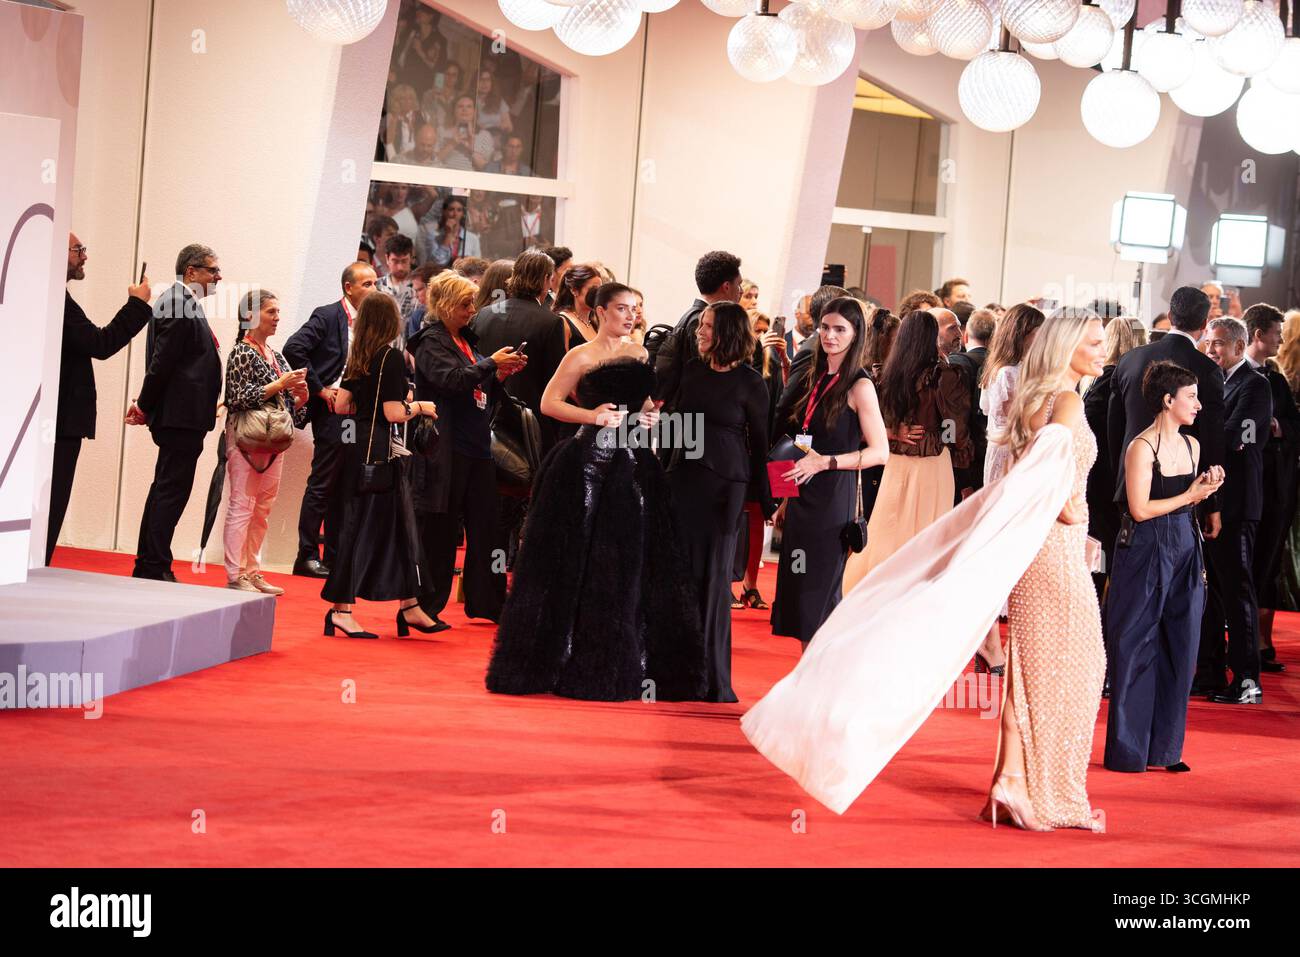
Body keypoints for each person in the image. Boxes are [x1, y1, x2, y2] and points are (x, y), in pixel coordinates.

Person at [741, 311, 1107, 823]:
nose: (1102, 351)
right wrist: (1076, 512)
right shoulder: (1065, 400)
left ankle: (1009, 783)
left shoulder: (1040, 397)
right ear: (1066, 346)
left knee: (1029, 672)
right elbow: (1053, 480)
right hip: (1056, 550)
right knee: (1071, 668)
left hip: (1036, 545)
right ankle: (1025, 785)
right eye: (1093, 342)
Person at [485, 284, 707, 701]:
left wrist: (648, 418)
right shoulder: (580, 355)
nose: (630, 315)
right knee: (579, 556)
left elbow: (642, 404)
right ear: (600, 311)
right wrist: (592, 415)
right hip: (589, 463)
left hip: (635, 463)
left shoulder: (641, 354)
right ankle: (566, 653)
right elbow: (549, 403)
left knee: (629, 558)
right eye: (621, 308)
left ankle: (628, 658)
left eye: (635, 309)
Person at [1104, 361, 1222, 773]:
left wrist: (1203, 492)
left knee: (1181, 644)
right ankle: (1129, 751)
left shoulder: (1192, 446)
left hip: (1186, 546)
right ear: (1168, 400)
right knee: (1135, 645)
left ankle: (1166, 749)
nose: (1199, 405)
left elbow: (1184, 500)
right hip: (1144, 548)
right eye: (1191, 397)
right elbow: (1139, 510)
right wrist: (1191, 496)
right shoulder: (1141, 447)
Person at [1107, 286, 1226, 688]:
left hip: (1129, 493)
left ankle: (1116, 676)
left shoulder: (1130, 359)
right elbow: (1214, 440)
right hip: (1180, 500)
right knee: (1177, 610)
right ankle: (1189, 677)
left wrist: (1120, 484)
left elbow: (1114, 432)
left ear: (1170, 314)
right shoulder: (1206, 368)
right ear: (1205, 322)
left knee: (1131, 609)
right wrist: (1212, 505)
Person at [667, 301, 773, 701]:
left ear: (727, 332)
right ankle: (677, 672)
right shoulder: (691, 372)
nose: (699, 331)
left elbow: (762, 446)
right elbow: (679, 428)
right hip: (683, 481)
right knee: (680, 575)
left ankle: (711, 680)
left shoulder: (751, 383)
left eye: (708, 326)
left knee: (713, 579)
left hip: (725, 488)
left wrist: (771, 499)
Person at [770, 297, 890, 650]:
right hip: (801, 495)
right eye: (825, 327)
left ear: (856, 335)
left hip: (831, 501)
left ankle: (818, 686)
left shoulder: (860, 385)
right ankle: (810, 681)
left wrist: (827, 462)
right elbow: (799, 441)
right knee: (799, 597)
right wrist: (784, 501)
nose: (830, 336)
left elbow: (880, 452)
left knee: (818, 597)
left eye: (840, 329)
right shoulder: (815, 375)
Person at [409, 272, 526, 628]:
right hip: (446, 450)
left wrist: (499, 373)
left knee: (487, 530)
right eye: (465, 304)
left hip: (476, 449)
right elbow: (451, 381)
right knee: (441, 532)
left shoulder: (464, 341)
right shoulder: (430, 341)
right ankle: (426, 605)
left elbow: (477, 387)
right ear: (444, 306)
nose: (472, 310)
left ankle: (488, 601)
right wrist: (490, 363)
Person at [321, 293, 440, 639]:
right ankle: (342, 610)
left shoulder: (358, 357)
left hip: (354, 447)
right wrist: (420, 407)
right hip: (380, 451)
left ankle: (409, 605)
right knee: (374, 528)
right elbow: (392, 413)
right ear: (391, 321)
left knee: (385, 527)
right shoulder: (389, 358)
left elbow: (342, 405)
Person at [842, 310, 970, 594]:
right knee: (927, 533)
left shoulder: (886, 374)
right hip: (932, 463)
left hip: (895, 461)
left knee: (886, 528)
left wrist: (894, 432)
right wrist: (959, 451)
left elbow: (869, 422)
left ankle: (868, 590)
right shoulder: (944, 375)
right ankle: (912, 594)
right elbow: (955, 426)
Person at [48, 234, 152, 564]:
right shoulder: (52, 297)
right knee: (50, 505)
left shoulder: (51, 294)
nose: (84, 257)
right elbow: (100, 343)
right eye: (78, 250)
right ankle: (34, 570)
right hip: (57, 418)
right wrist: (137, 305)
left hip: (57, 416)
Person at [127, 244, 224, 582]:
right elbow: (162, 363)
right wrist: (143, 404)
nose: (219, 276)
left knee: (165, 489)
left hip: (184, 417)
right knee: (171, 491)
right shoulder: (178, 304)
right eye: (213, 270)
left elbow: (180, 363)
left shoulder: (182, 304)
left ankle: (151, 563)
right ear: (191, 273)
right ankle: (153, 566)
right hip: (179, 419)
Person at [285, 261, 378, 579]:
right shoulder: (327, 315)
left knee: (348, 485)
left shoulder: (371, 322)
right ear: (348, 287)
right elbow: (294, 348)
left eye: (375, 283)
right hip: (332, 414)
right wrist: (321, 389)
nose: (374, 289)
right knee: (323, 484)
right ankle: (306, 556)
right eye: (367, 284)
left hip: (356, 415)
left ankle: (337, 557)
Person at [1200, 316, 1272, 704]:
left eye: (1219, 345)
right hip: (1210, 501)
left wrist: (1199, 442)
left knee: (1237, 591)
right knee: (1209, 591)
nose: (1211, 351)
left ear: (1240, 347)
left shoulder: (1256, 385)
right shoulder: (1210, 383)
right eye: (1208, 344)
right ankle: (1209, 672)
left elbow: (1239, 437)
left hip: (1239, 505)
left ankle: (1247, 679)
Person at [222, 290, 309, 594]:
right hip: (246, 439)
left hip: (272, 441)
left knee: (262, 508)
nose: (277, 318)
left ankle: (252, 569)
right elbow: (236, 398)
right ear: (251, 315)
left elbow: (287, 406)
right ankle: (235, 574)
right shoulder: (241, 352)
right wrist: (280, 385)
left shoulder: (276, 354)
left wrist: (300, 395)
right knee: (242, 505)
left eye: (277, 311)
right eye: (271, 311)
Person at [1242, 304, 1300, 673]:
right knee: (1242, 566)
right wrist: (1264, 430)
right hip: (1247, 485)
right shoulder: (1234, 377)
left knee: (1268, 565)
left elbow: (1295, 427)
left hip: (1276, 487)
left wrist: (1280, 429)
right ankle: (1241, 641)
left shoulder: (1277, 382)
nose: (1281, 339)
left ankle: (1261, 640)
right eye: (1276, 333)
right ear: (1259, 335)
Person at [471, 248, 567, 451]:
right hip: (530, 422)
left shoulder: (483, 315)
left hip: (484, 414)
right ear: (546, 279)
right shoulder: (550, 323)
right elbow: (555, 378)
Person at [1084, 316, 1142, 607]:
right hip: (1115, 476)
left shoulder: (1107, 380)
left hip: (1101, 476)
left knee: (1101, 549)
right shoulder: (1126, 380)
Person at [653, 250, 744, 409]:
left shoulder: (694, 316)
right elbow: (704, 378)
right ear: (727, 286)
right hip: (686, 422)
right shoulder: (699, 320)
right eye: (739, 284)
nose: (741, 291)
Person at [948, 307, 995, 500]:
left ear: (966, 336)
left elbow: (949, 419)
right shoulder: (1001, 367)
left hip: (960, 455)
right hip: (987, 452)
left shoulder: (954, 364)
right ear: (995, 337)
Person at [419, 194, 481, 268]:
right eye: (451, 209)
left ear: (462, 214)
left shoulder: (472, 238)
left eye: (459, 210)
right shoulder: (433, 236)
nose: (455, 214)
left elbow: (477, 266)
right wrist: (448, 235)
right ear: (444, 212)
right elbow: (437, 262)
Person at [376, 233, 418, 328]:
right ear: (387, 258)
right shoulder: (376, 287)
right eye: (395, 261)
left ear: (411, 259)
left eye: (404, 261)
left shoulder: (420, 289)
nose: (400, 267)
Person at [554, 263, 602, 345]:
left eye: (600, 289)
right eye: (592, 289)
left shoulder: (596, 322)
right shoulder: (563, 322)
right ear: (574, 290)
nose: (597, 294)